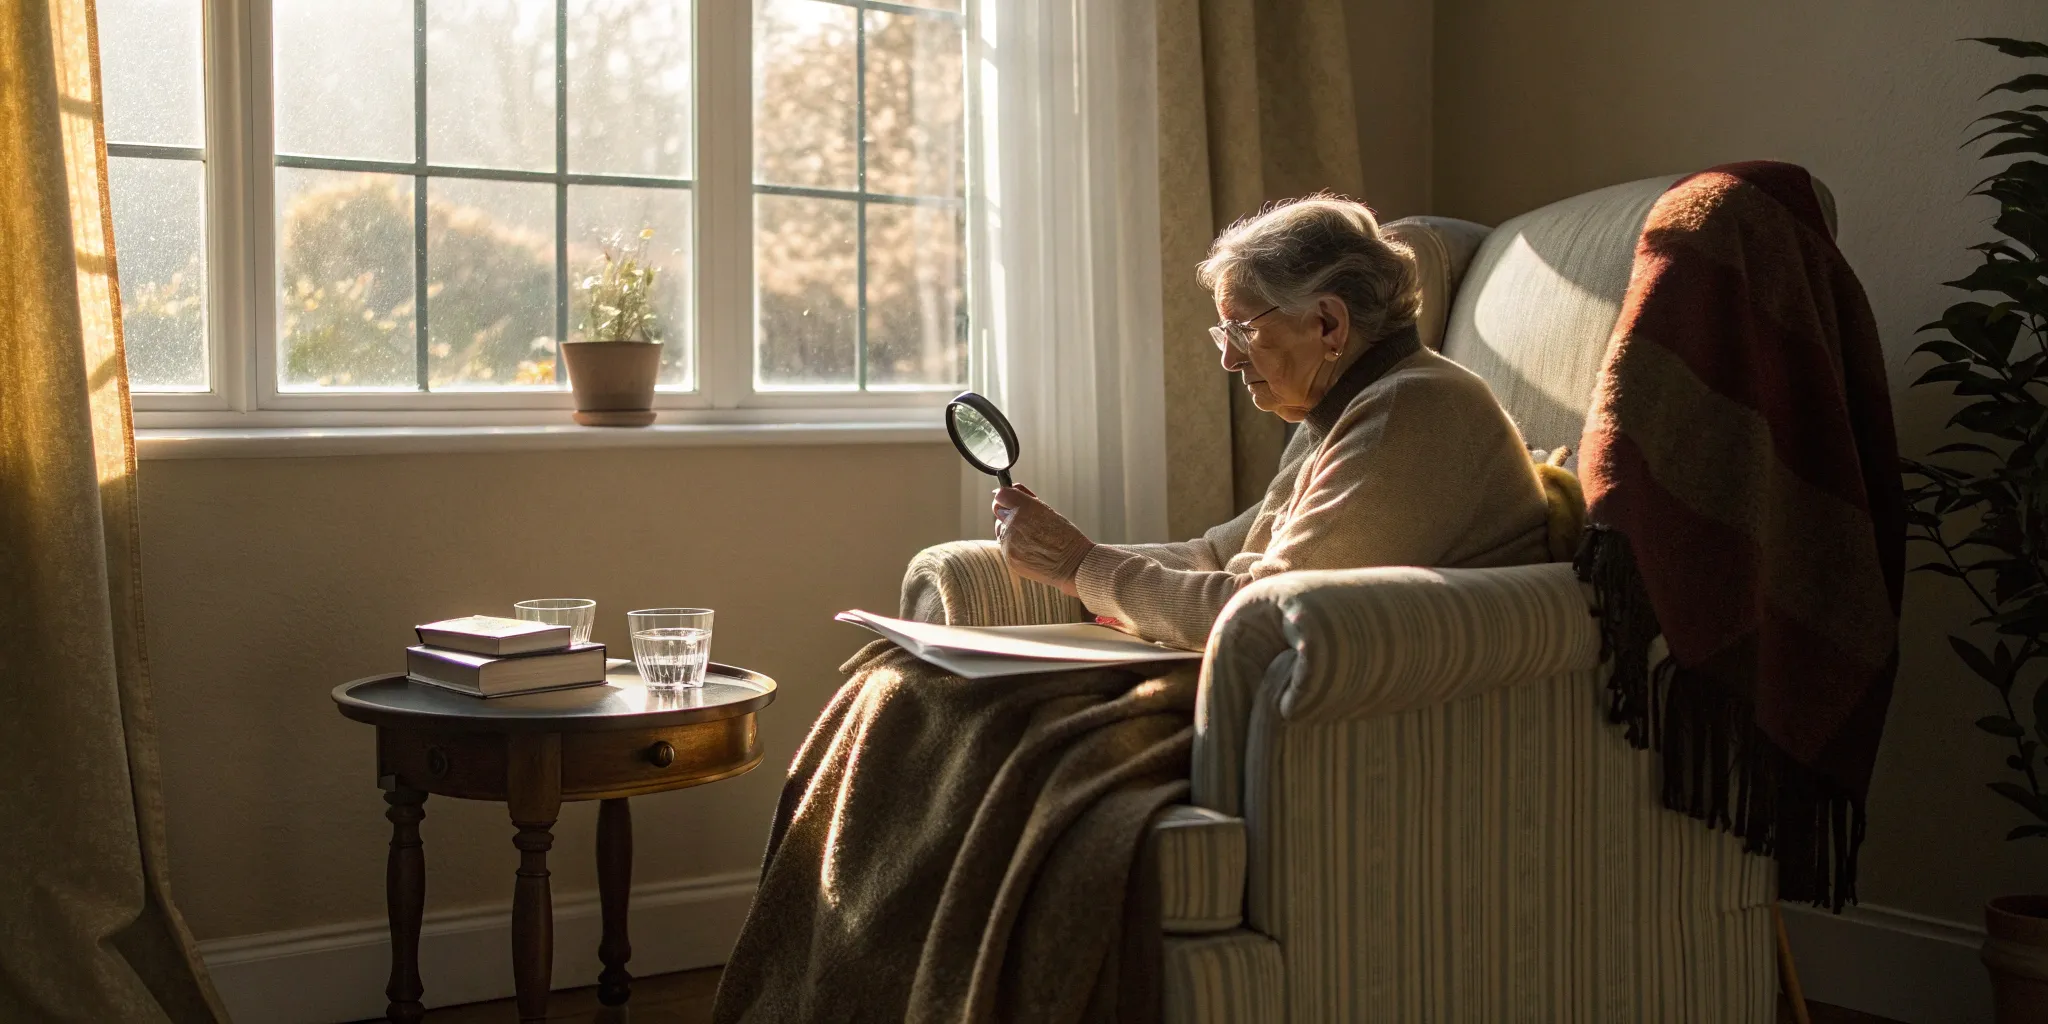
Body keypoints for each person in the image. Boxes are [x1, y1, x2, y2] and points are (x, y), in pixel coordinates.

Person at [993, 194, 1551, 650]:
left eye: (1242, 330)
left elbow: (1262, 612)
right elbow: (1215, 555)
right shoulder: (1344, 408)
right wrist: (1072, 554)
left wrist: (1081, 565)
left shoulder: (1414, 411)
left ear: (1328, 324)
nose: (1228, 360)